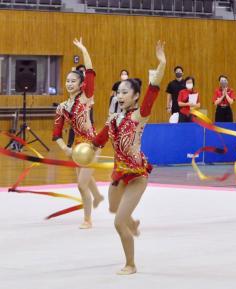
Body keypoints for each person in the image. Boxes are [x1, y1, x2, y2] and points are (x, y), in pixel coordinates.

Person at [93, 41, 166, 275]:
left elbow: (153, 92)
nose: (120, 95)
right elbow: (98, 141)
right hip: (119, 172)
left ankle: (131, 264)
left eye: (125, 92)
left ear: (135, 97)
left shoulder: (139, 115)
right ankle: (132, 222)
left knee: (117, 223)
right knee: (114, 208)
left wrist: (161, 63)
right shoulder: (112, 119)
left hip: (136, 175)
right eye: (118, 92)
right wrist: (84, 153)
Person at [52, 38, 103, 229]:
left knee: (82, 184)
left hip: (91, 144)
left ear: (81, 84)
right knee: (83, 178)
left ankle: (88, 219)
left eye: (73, 80)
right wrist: (64, 148)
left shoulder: (86, 97)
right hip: (76, 147)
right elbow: (56, 132)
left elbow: (90, 72)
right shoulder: (62, 107)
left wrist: (83, 49)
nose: (69, 83)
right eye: (67, 81)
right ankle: (97, 196)